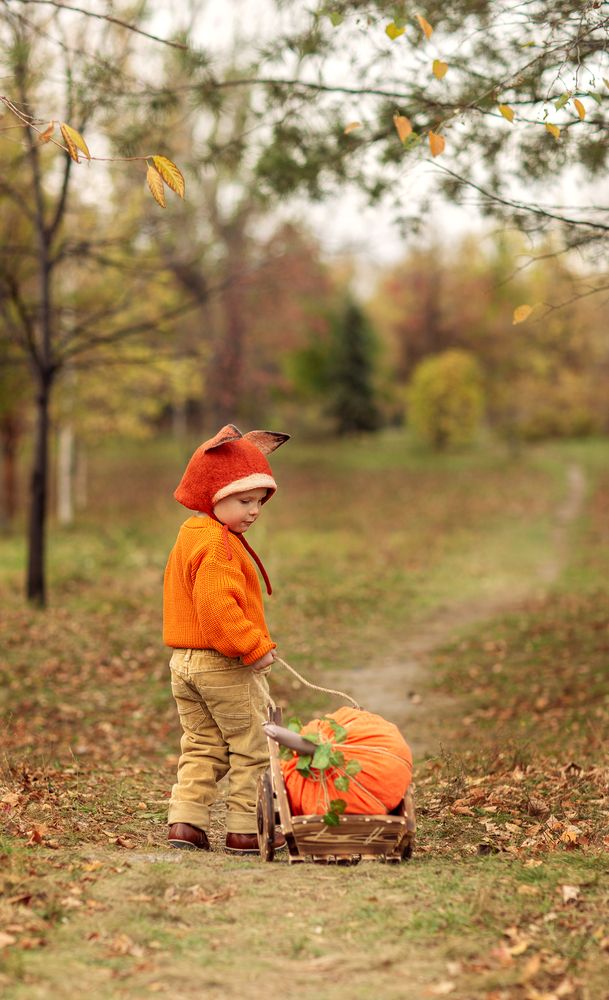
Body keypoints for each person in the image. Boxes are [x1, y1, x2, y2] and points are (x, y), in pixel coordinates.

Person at [163, 423, 289, 854]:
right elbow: (217, 610)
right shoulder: (217, 545)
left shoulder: (191, 533)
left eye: (259, 501)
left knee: (202, 745)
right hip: (222, 664)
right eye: (243, 501)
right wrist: (253, 647)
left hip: (185, 663)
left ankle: (186, 822)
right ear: (211, 494)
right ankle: (244, 830)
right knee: (252, 744)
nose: (254, 511)